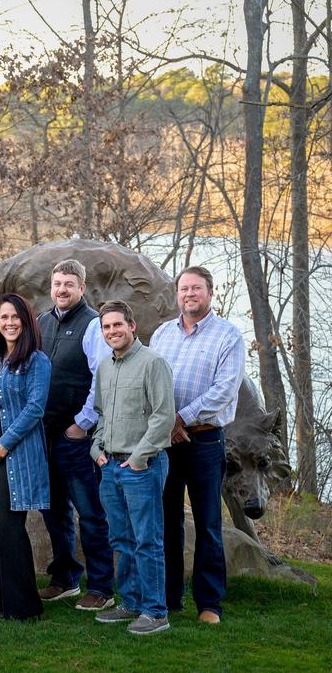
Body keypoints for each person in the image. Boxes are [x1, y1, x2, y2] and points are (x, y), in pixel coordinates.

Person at [150, 266, 245, 625]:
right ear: (177, 294)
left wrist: (180, 418)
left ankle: (209, 604)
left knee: (207, 524)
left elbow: (224, 390)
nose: (189, 294)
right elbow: (151, 380)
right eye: (184, 288)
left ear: (210, 293)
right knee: (167, 521)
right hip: (165, 441)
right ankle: (170, 598)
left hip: (205, 440)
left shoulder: (228, 336)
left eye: (196, 288)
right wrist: (167, 423)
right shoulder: (162, 334)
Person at [90, 300, 175, 636]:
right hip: (109, 466)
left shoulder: (153, 363)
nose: (112, 331)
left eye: (117, 325)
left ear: (132, 325)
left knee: (147, 540)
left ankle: (156, 612)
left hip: (143, 466)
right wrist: (96, 449)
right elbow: (101, 414)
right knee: (122, 539)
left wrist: (138, 458)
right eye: (106, 327)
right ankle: (131, 602)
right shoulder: (105, 367)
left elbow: (163, 417)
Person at [36, 259, 114, 610]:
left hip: (75, 437)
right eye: (57, 284)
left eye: (69, 284)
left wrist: (81, 423)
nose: (62, 290)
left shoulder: (93, 324)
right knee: (54, 510)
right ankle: (65, 578)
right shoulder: (42, 321)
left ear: (82, 288)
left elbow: (101, 378)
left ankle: (101, 587)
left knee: (91, 512)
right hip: (44, 434)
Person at [0, 293, 51, 622]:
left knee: (10, 526)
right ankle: (5, 604)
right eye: (3, 317)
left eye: (15, 317)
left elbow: (35, 407)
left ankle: (24, 607)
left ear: (26, 321)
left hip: (16, 453)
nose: (9, 322)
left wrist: (4, 443)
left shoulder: (36, 361)